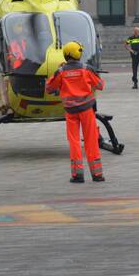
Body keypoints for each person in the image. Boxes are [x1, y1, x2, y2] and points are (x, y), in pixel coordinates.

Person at [45, 41, 106, 183]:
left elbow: (49, 87)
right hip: (87, 110)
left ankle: (77, 175)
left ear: (66, 55)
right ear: (78, 54)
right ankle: (97, 175)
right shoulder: (86, 69)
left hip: (71, 111)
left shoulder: (61, 71)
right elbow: (100, 85)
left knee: (74, 141)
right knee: (91, 140)